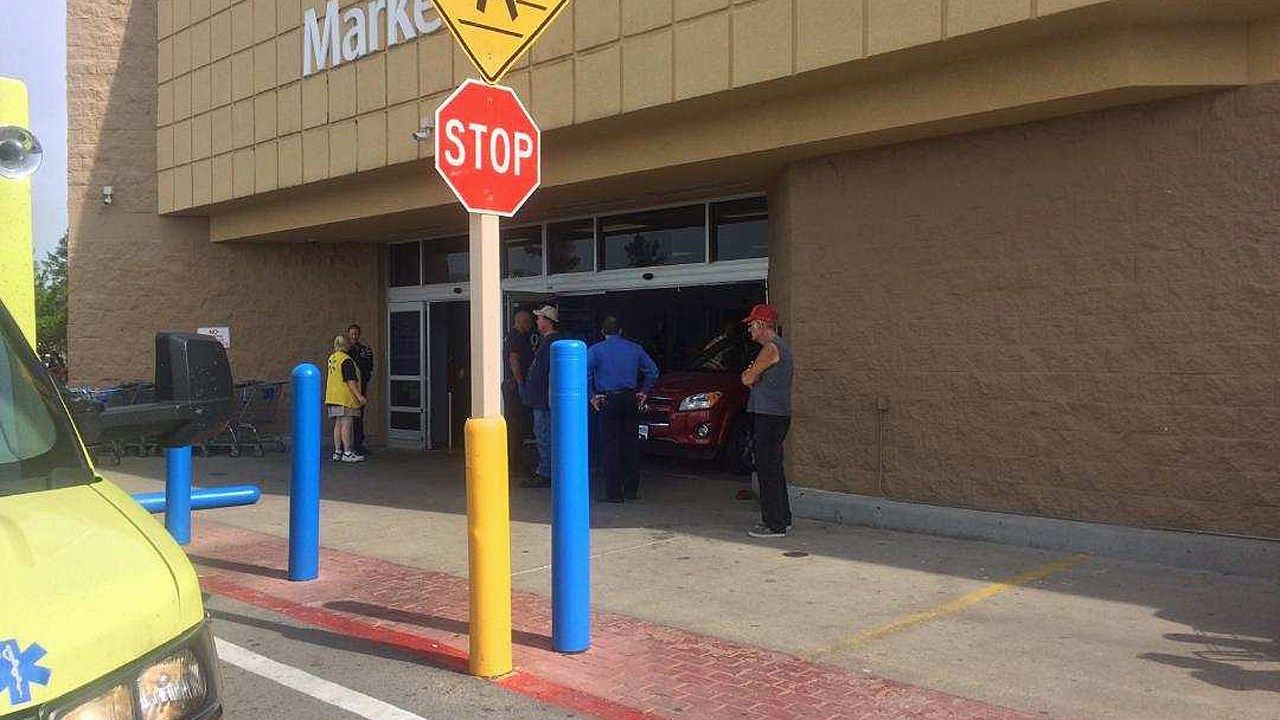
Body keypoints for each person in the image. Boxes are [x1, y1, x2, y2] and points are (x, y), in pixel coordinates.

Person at [588, 316, 658, 502]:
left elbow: (583, 374)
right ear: (620, 331)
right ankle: (631, 490)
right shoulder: (635, 349)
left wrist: (592, 396)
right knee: (631, 444)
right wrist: (644, 391)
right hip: (630, 399)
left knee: (610, 446)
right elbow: (652, 371)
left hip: (608, 400)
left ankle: (613, 493)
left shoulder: (595, 350)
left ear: (603, 332)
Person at [740, 304, 793, 538]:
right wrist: (753, 375)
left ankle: (773, 524)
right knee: (774, 469)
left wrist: (751, 373)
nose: (749, 329)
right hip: (777, 415)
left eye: (752, 325)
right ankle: (783, 518)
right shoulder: (779, 347)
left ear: (762, 325)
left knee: (766, 469)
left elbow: (747, 378)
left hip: (769, 416)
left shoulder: (770, 348)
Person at [520, 305, 560, 488]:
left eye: (540, 318)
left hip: (544, 401)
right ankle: (546, 470)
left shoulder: (552, 343)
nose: (537, 322)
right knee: (544, 435)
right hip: (542, 399)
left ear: (548, 322)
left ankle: (546, 472)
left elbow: (550, 373)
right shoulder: (547, 342)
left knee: (544, 436)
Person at [503, 308, 536, 479]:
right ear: (520, 322)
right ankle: (514, 462)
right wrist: (520, 382)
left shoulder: (520, 337)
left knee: (519, 425)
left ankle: (516, 460)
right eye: (528, 322)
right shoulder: (515, 338)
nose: (530, 325)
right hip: (513, 386)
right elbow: (514, 359)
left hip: (515, 385)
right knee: (515, 425)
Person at [326, 335, 367, 463]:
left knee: (338, 424)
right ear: (345, 346)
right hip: (345, 398)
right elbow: (350, 380)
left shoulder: (332, 358)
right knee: (346, 425)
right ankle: (348, 453)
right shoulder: (346, 360)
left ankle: (337, 451)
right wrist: (359, 396)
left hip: (333, 396)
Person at [346, 324, 374, 456]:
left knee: (358, 416)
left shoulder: (364, 350)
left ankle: (358, 444)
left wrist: (365, 380)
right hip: (347, 388)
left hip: (360, 385)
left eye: (356, 334)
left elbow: (369, 367)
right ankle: (344, 446)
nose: (354, 336)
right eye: (352, 334)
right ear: (348, 335)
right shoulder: (345, 352)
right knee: (345, 418)